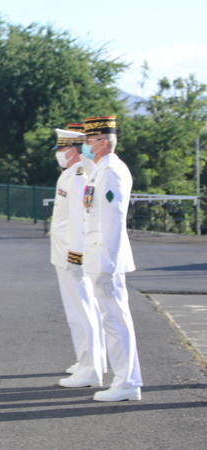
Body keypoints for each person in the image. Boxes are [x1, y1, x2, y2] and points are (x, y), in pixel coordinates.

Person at [81, 115, 142, 402]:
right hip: (100, 256)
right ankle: (126, 380)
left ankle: (126, 382)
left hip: (107, 259)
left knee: (115, 320)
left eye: (89, 142)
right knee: (113, 319)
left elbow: (112, 221)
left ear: (103, 142)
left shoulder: (111, 172)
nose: (85, 147)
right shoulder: (101, 169)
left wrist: (107, 262)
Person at [49, 126, 106, 389]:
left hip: (72, 255)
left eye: (60, 149)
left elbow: (80, 219)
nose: (57, 154)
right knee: (85, 309)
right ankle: (92, 360)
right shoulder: (72, 175)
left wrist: (75, 256)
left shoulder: (78, 177)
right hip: (68, 252)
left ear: (71, 151)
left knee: (80, 311)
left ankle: (89, 368)